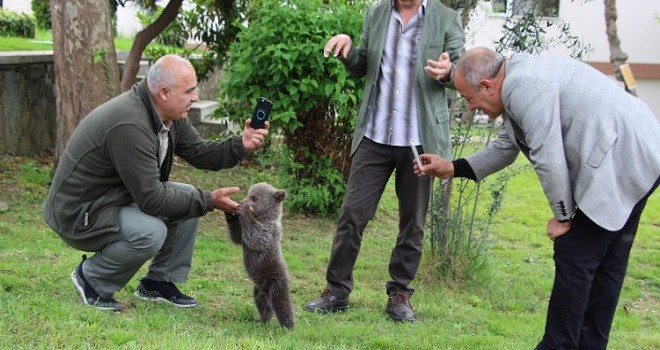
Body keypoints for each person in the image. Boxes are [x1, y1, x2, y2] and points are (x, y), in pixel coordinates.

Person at [416, 47, 660, 349]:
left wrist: (563, 217)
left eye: (469, 99)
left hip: (624, 156)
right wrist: (452, 167)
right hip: (642, 148)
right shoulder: (516, 78)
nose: (471, 107)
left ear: (487, 86)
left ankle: (557, 344)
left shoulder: (522, 85)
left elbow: (548, 154)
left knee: (576, 253)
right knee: (607, 262)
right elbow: (506, 148)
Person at [42, 54, 269, 311]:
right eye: (189, 90)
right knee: (152, 231)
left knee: (188, 198)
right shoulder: (130, 124)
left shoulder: (167, 116)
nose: (195, 97)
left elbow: (200, 152)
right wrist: (208, 200)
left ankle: (158, 282)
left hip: (113, 200)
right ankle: (92, 278)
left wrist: (241, 144)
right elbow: (151, 199)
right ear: (163, 93)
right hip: (78, 214)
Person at [304, 0, 465, 322]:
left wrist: (450, 72)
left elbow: (459, 74)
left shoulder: (447, 19)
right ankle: (336, 291)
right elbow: (363, 65)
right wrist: (349, 50)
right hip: (375, 135)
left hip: (419, 140)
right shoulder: (376, 13)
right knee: (352, 213)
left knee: (413, 222)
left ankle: (400, 293)